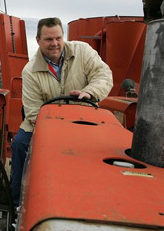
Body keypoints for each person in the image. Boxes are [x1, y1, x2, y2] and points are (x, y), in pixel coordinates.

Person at [11, 17, 113, 207]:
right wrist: (59, 132)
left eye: (58, 38)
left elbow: (103, 75)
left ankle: (102, 199)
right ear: (38, 41)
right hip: (45, 125)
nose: (55, 44)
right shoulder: (30, 71)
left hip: (84, 118)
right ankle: (19, 204)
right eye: (49, 39)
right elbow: (33, 112)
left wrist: (90, 92)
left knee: (109, 149)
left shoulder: (83, 52)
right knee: (19, 145)